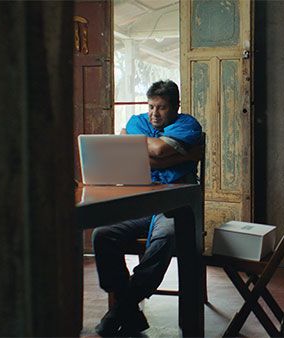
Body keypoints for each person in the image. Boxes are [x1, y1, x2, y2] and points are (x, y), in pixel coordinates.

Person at [92, 80, 203, 336]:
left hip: (177, 205)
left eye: (162, 107)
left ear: (176, 107)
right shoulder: (137, 121)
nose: (154, 113)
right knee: (103, 234)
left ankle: (121, 309)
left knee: (166, 237)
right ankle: (129, 310)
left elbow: (160, 149)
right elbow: (157, 152)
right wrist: (185, 156)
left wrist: (137, 148)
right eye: (151, 106)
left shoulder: (188, 124)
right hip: (143, 202)